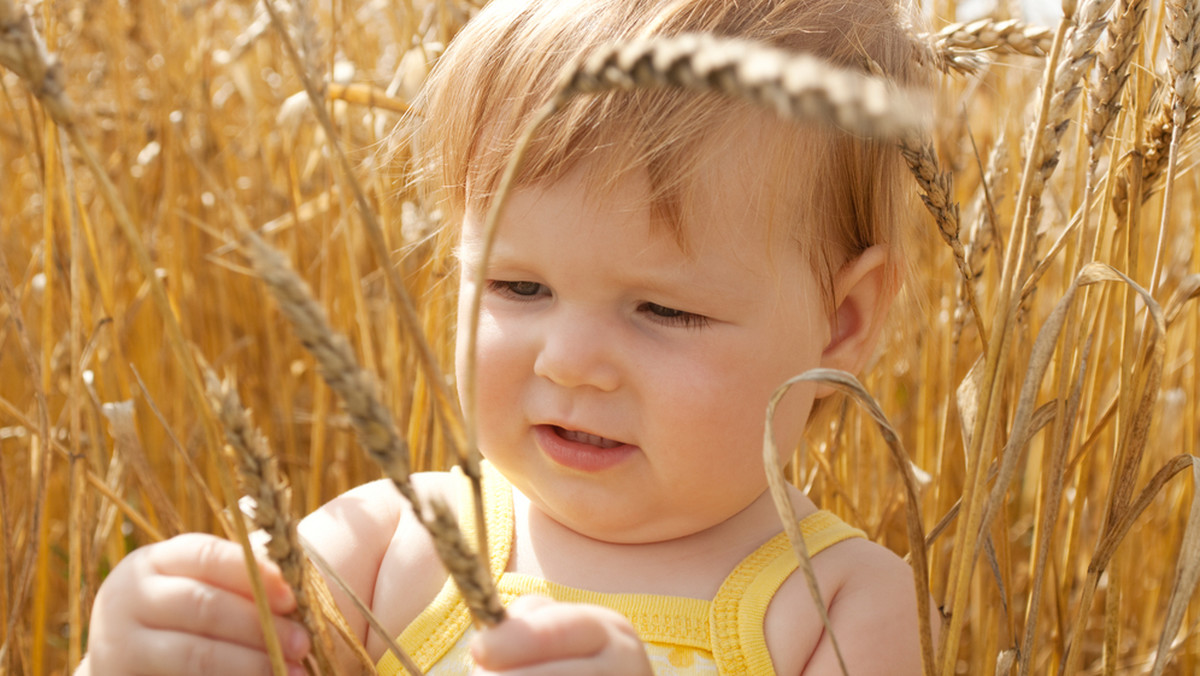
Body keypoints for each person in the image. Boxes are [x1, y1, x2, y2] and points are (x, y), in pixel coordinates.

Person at [80, 0, 935, 673]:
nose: (568, 360)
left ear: (842, 322)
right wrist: (129, 657)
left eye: (665, 311)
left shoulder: (844, 608)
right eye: (518, 287)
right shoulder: (388, 544)